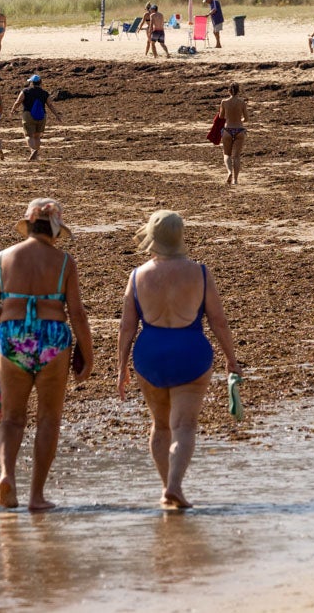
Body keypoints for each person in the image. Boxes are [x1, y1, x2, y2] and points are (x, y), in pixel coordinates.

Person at [117, 211, 239, 509]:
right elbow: (218, 321)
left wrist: (120, 367)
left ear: (152, 237)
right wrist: (231, 359)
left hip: (151, 354)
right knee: (184, 426)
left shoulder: (137, 276)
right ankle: (174, 487)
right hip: (190, 352)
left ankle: (166, 489)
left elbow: (127, 327)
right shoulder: (199, 272)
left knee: (160, 426)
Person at [0, 198, 93, 511]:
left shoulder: (4, 257)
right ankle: (36, 496)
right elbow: (78, 313)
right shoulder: (64, 262)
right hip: (53, 338)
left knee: (12, 417)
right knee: (48, 419)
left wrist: (11, 312)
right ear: (55, 230)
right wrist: (89, 354)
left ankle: (7, 475)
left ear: (28, 225)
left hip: (13, 336)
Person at [12, 74, 62, 161]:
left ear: (31, 82)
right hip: (42, 116)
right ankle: (36, 155)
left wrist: (13, 109)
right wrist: (57, 115)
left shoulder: (25, 91)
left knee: (28, 135)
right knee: (37, 136)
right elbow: (50, 105)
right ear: (40, 82)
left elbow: (18, 102)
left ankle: (33, 150)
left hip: (28, 115)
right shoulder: (44, 93)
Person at [219, 83, 247, 184]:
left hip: (228, 130)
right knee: (236, 156)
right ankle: (235, 180)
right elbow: (246, 118)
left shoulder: (224, 102)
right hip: (239, 130)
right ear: (238, 91)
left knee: (227, 154)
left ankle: (229, 172)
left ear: (229, 91)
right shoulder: (242, 102)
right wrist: (241, 120)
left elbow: (221, 117)